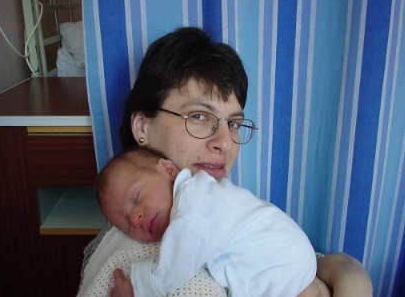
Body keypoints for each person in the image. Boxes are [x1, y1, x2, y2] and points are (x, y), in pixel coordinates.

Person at [78, 26, 372, 297]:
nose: (226, 142)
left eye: (233, 123)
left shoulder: (201, 203)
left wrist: (341, 270)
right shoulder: (147, 254)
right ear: (142, 127)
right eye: (198, 116)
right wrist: (345, 276)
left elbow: (328, 265)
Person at [96, 147, 317, 296]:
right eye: (126, 225)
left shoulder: (193, 203)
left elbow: (175, 264)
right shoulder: (202, 192)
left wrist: (137, 286)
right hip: (291, 261)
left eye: (137, 196)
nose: (135, 218)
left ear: (168, 170)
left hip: (283, 268)